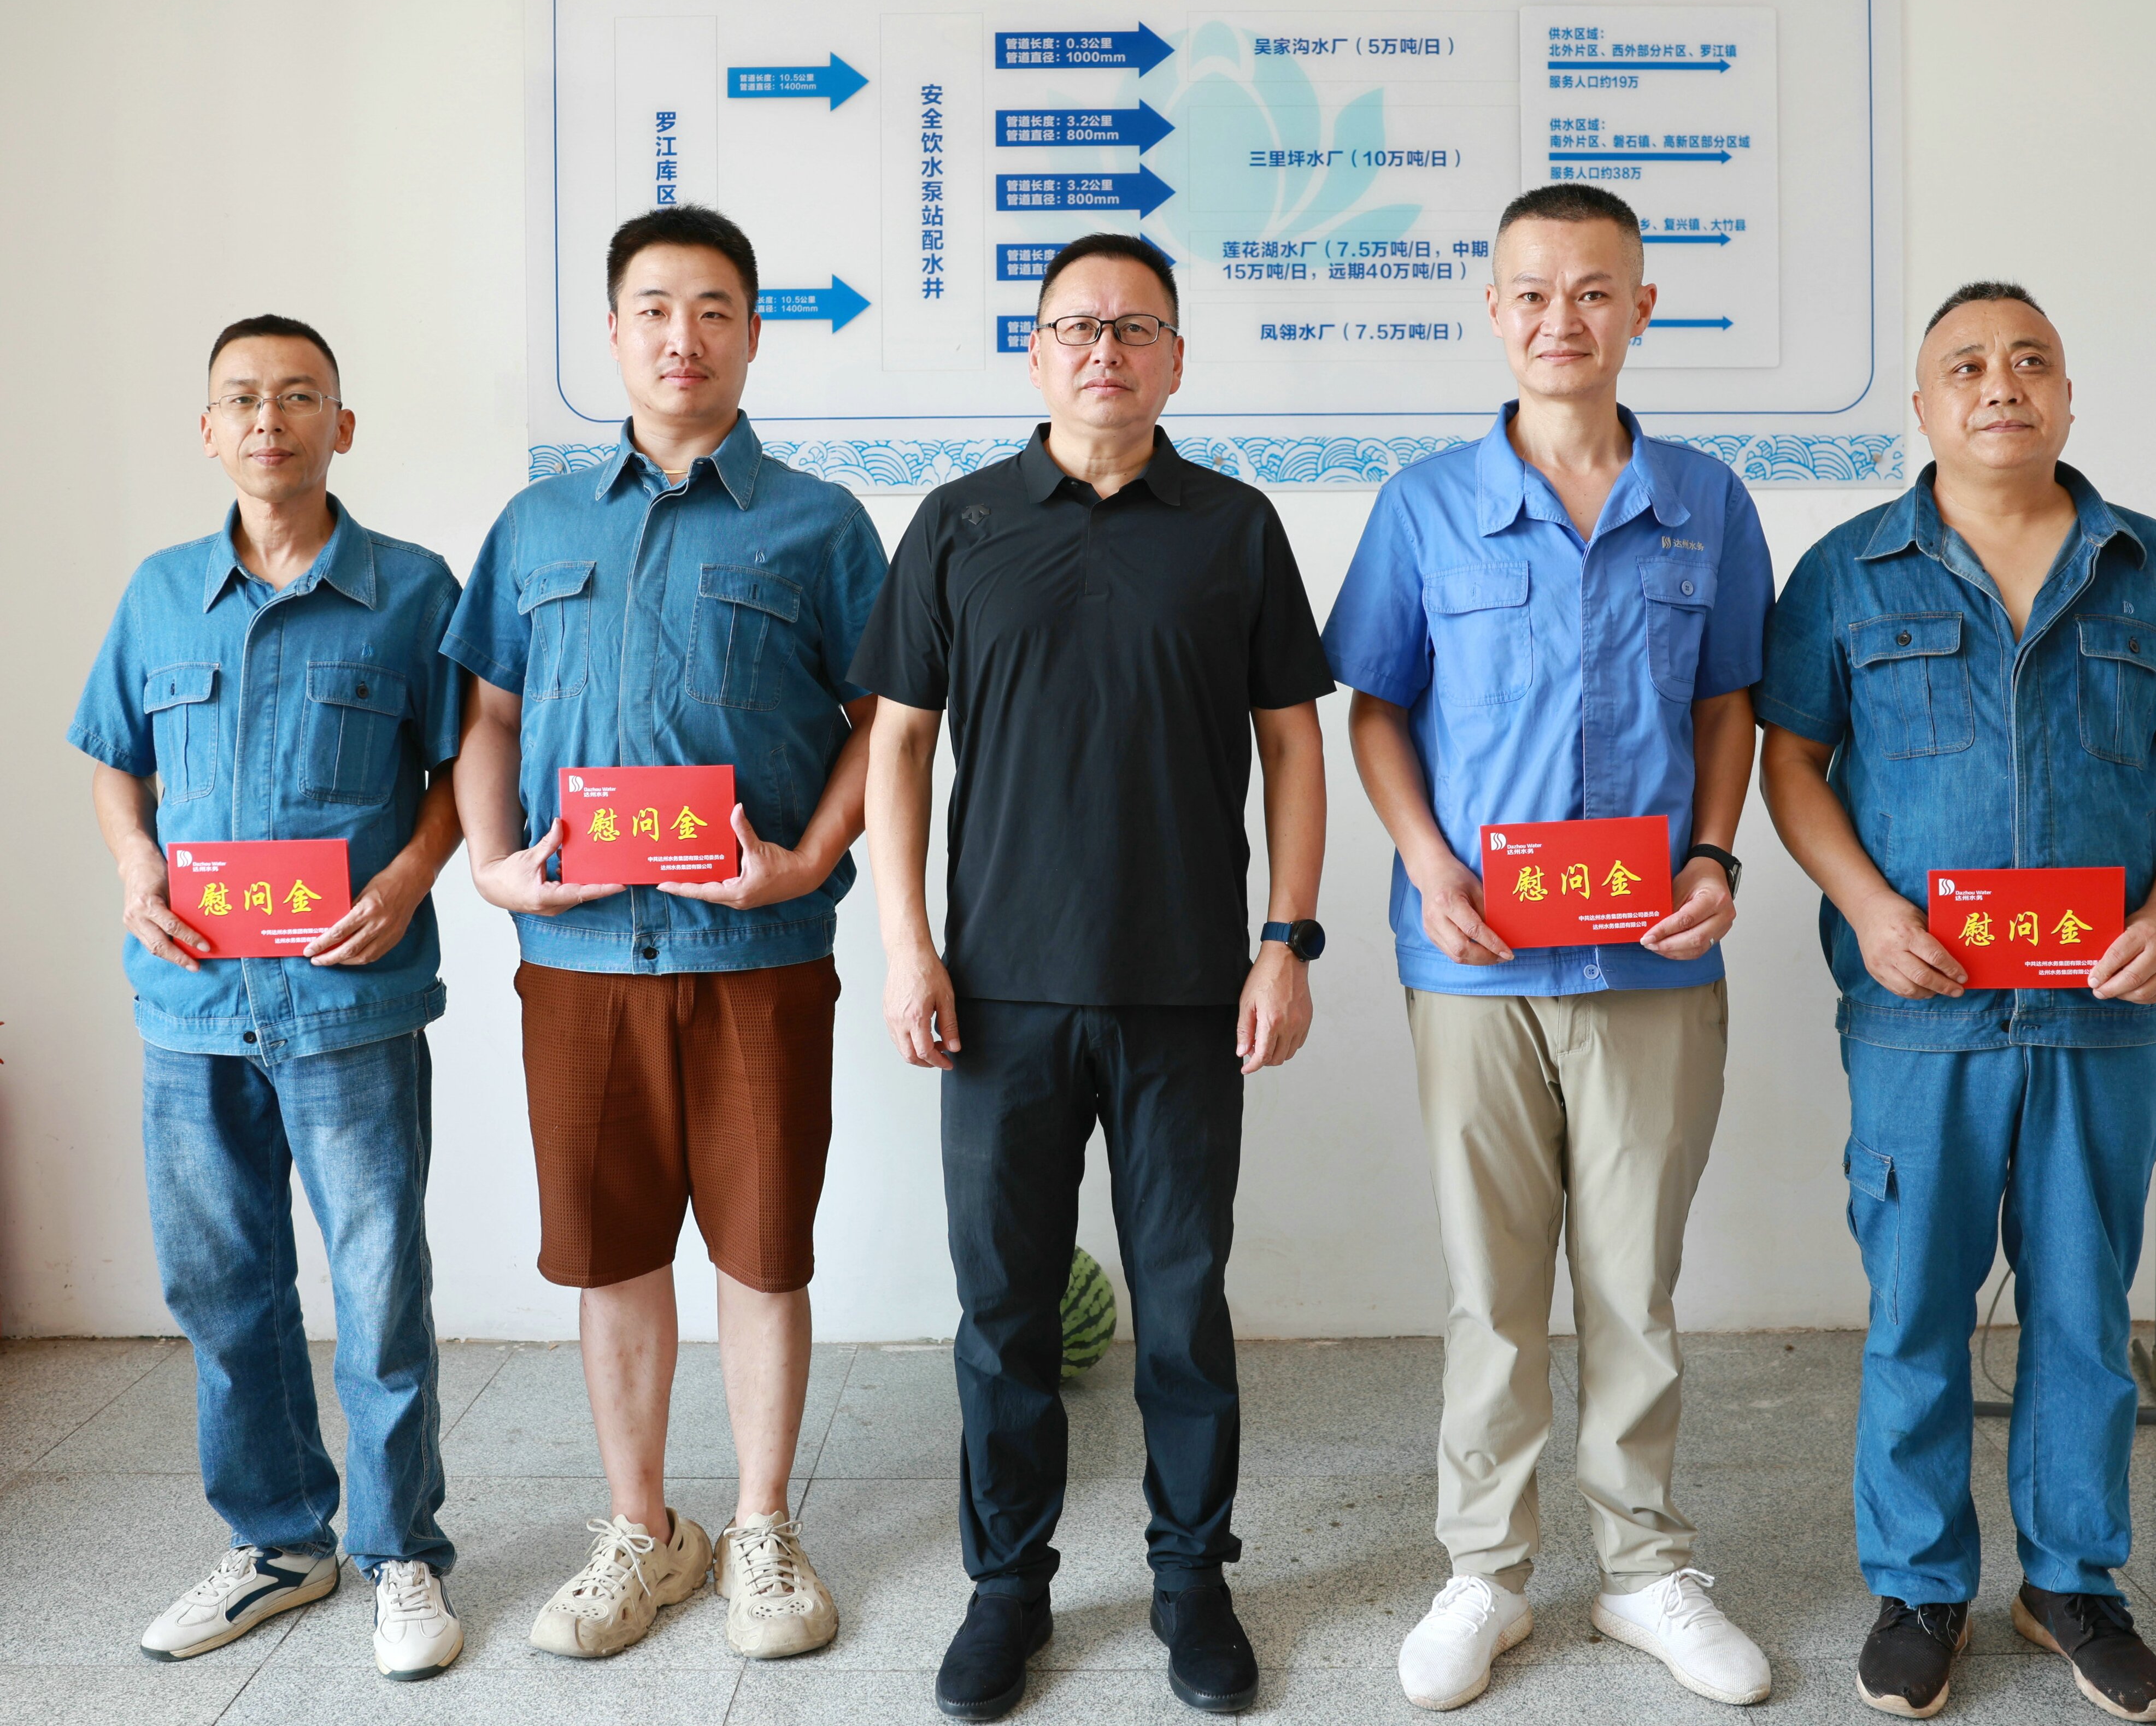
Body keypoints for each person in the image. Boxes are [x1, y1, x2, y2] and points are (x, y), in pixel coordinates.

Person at [1757, 282, 2156, 1722]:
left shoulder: (2149, 566)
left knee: (2081, 1310)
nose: (2002, 383)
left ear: (2066, 395)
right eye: (1968, 365)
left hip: (2099, 1010)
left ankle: (2070, 1584)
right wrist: (1871, 910)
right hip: (1917, 1010)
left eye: (2030, 360)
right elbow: (1790, 761)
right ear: (1922, 406)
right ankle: (1918, 1585)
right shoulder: (1847, 571)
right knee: (1914, 1308)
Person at [857, 232, 1333, 1721]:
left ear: (1176, 356)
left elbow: (1293, 743)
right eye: (1076, 326)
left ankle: (1192, 1575)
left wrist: (1287, 938)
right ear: (1036, 351)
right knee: (1003, 1308)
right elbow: (898, 744)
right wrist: (907, 945)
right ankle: (1007, 1586)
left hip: (1189, 985)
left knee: (1182, 1304)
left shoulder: (1235, 526)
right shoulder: (958, 522)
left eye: (1134, 327)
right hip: (997, 993)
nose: (1103, 350)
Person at [1323, 184, 1776, 1711]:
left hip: (1652, 955)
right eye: (1530, 292)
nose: (1560, 319)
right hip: (1472, 959)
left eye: (1593, 291)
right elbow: (1375, 706)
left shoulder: (1707, 500)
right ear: (1493, 310)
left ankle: (1644, 1570)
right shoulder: (1424, 506)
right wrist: (1426, 861)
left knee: (1635, 1283)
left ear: (1643, 307)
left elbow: (1728, 700)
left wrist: (1713, 853)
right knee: (1491, 1285)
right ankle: (1486, 1574)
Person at [442, 205, 886, 1662]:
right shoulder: (539, 524)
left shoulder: (820, 522)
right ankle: (644, 1529)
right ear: (613, 334)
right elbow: (488, 712)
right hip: (580, 960)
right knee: (614, 1254)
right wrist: (492, 866)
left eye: (711, 309)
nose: (681, 336)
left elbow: (884, 719)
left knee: (761, 1255)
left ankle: (758, 1525)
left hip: (759, 955)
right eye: (652, 308)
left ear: (752, 332)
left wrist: (809, 859)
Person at [69, 315, 468, 1681]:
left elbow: (463, 773)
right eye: (241, 398)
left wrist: (409, 879)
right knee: (222, 1286)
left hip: (349, 1005)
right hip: (191, 1006)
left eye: (299, 397)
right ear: (207, 430)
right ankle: (281, 1542)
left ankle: (402, 1551)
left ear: (340, 427)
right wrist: (136, 867)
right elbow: (114, 758)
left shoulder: (413, 591)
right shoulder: (158, 594)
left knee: (378, 1286)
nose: (268, 420)